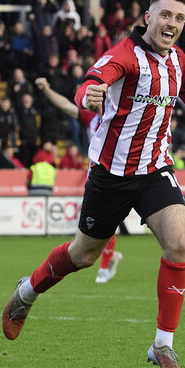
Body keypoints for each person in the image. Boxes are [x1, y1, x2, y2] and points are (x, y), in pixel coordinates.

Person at [2, 0, 185, 368]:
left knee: (179, 244)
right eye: (165, 16)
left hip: (155, 170)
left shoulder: (178, 60)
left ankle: (162, 344)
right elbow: (93, 81)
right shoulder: (124, 55)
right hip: (110, 175)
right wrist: (88, 94)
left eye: (179, 18)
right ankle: (27, 292)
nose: (172, 24)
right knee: (82, 255)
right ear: (148, 17)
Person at [35, 75, 123, 284]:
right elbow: (66, 105)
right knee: (103, 222)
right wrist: (47, 89)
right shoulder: (90, 118)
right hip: (98, 174)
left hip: (123, 173)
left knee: (109, 220)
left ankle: (106, 264)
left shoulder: (123, 115)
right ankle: (107, 261)